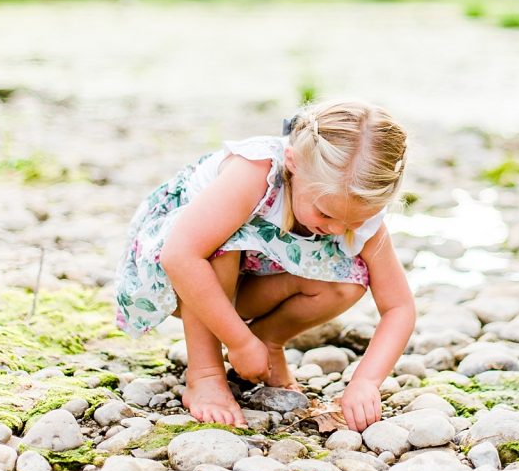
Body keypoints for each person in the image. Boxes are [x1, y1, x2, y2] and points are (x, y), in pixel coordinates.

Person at [114, 99, 415, 431]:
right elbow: (180, 256)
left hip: (248, 284)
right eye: (326, 214)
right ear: (293, 162)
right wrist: (239, 343)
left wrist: (366, 382)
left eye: (351, 222)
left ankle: (268, 341)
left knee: (351, 279)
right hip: (183, 277)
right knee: (223, 243)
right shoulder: (254, 171)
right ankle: (205, 374)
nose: (334, 229)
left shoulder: (359, 211)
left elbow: (399, 306)